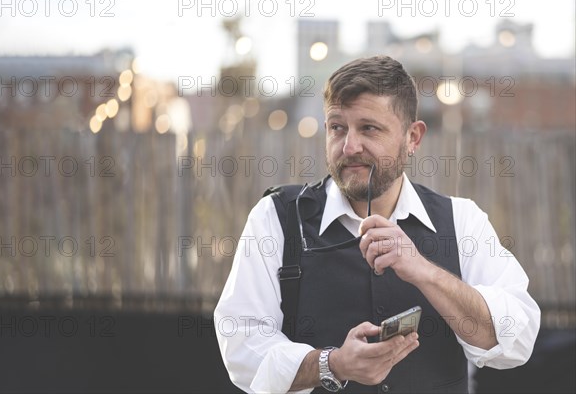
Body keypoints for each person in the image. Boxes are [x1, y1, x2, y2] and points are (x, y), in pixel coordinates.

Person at [214, 55, 540, 393]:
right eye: (337, 127)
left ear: (413, 137)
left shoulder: (462, 220)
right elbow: (241, 347)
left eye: (369, 128)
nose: (350, 146)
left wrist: (425, 272)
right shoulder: (277, 217)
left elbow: (517, 340)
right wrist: (333, 363)